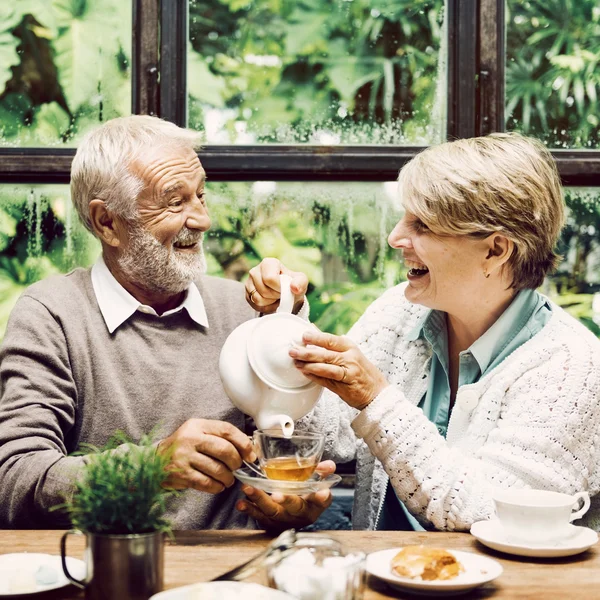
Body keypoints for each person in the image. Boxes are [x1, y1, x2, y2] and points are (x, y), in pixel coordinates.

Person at [241, 133, 600, 532]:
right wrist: (285, 326)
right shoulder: (400, 310)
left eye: (422, 225)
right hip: (381, 579)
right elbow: (327, 435)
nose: (396, 237)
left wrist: (376, 398)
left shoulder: (573, 365)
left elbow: (488, 514)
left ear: (497, 251)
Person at [0, 115, 332, 530]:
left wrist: (288, 509)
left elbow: (285, 457)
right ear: (107, 222)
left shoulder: (243, 309)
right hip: (110, 574)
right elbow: (14, 481)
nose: (202, 220)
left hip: (230, 579)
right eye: (175, 202)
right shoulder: (52, 314)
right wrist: (150, 467)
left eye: (201, 196)